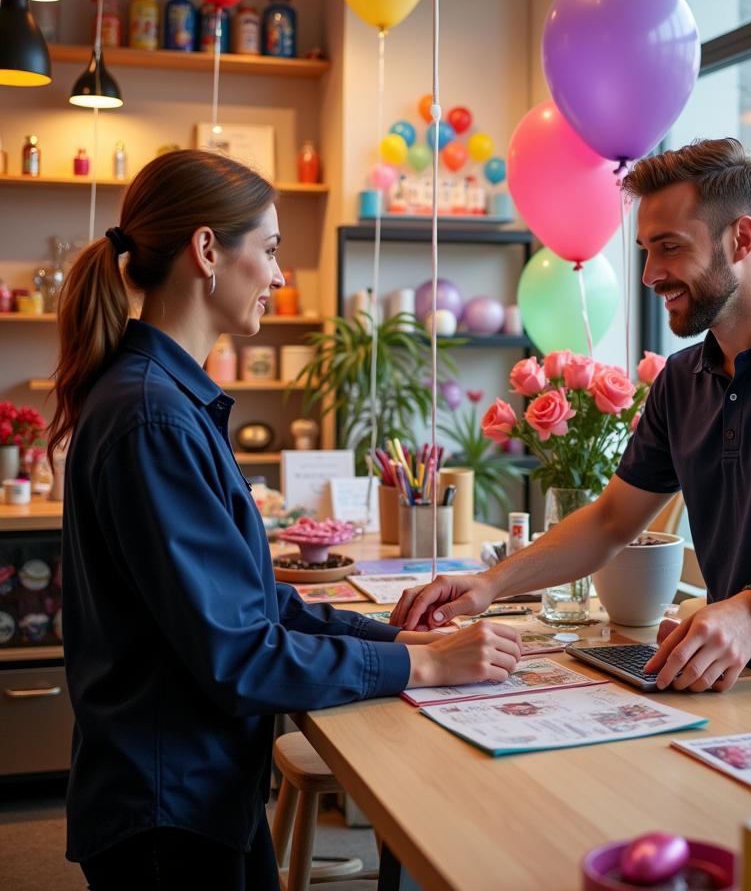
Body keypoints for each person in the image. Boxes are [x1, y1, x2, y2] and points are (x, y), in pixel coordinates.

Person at [51, 150, 522, 890]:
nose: (277, 275)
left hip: (194, 790)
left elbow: (253, 603)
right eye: (269, 250)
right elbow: (238, 655)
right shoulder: (154, 419)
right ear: (207, 251)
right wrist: (423, 665)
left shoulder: (165, 402)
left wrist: (396, 637)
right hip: (168, 806)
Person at [391, 137, 751, 744]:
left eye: (670, 248)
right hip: (737, 683)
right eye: (646, 251)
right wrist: (490, 584)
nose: (651, 274)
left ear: (742, 239)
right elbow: (608, 523)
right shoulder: (683, 381)